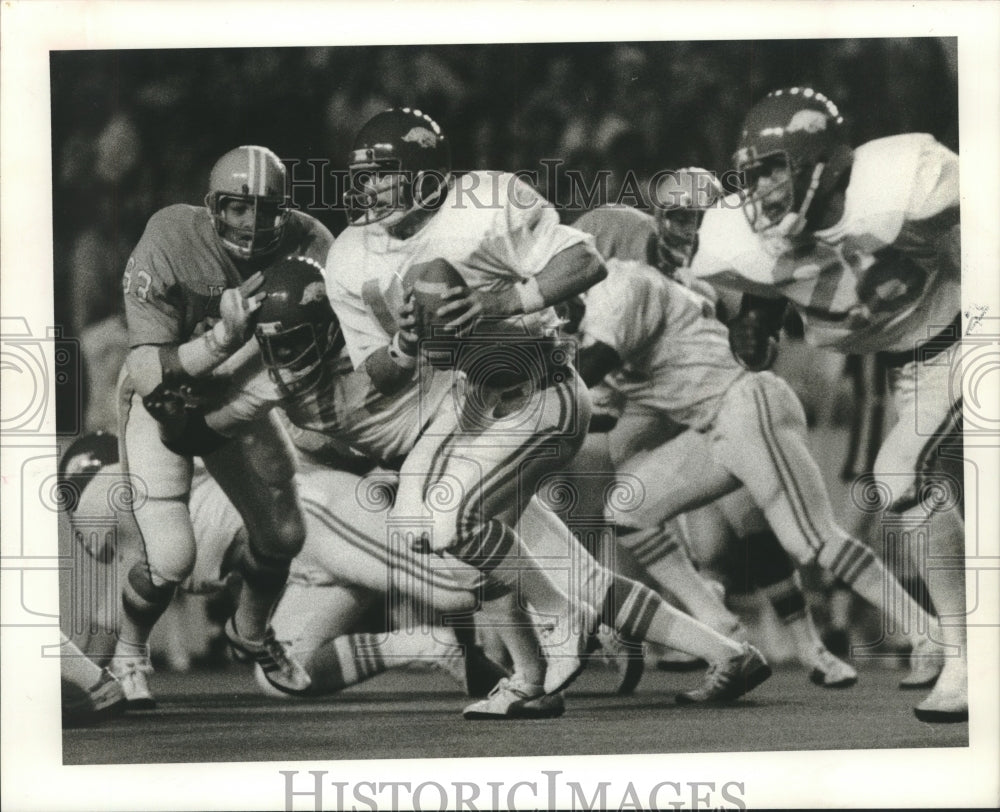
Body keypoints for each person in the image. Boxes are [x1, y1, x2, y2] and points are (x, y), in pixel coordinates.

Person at [322, 108, 771, 714]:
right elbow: (375, 372)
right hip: (471, 412)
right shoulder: (351, 254)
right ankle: (724, 652)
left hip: (535, 383)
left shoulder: (484, 199)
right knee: (517, 554)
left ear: (426, 174)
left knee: (453, 526)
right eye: (365, 178)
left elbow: (585, 261)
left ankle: (547, 649)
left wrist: (506, 299)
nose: (370, 190)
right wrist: (404, 346)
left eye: (384, 175)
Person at [569, 174, 944, 699]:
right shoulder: (649, 272)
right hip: (715, 424)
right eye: (680, 217)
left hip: (746, 408)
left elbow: (589, 369)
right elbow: (603, 405)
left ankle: (929, 634)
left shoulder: (627, 284)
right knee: (628, 507)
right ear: (656, 219)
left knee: (809, 539)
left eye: (700, 219)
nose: (690, 229)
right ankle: (721, 635)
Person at [689, 87, 965, 723]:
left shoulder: (906, 182)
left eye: (770, 168)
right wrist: (753, 321)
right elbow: (765, 288)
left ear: (817, 161)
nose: (759, 188)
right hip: (917, 364)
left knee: (899, 479)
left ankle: (965, 657)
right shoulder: (740, 241)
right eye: (750, 174)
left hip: (978, 333)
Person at [109, 145, 333, 708]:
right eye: (237, 208)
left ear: (286, 210)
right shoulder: (172, 235)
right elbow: (150, 371)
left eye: (264, 210)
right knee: (171, 556)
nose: (251, 224)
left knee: (285, 535)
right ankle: (129, 653)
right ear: (214, 207)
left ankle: (250, 633)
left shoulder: (313, 243)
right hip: (164, 402)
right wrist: (222, 339)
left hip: (237, 397)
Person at [60, 431, 513, 705]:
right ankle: (435, 646)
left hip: (316, 519)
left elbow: (104, 628)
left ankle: (575, 611)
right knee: (283, 674)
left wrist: (71, 689)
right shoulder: (139, 513)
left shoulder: (113, 488)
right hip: (306, 562)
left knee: (460, 588)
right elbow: (115, 613)